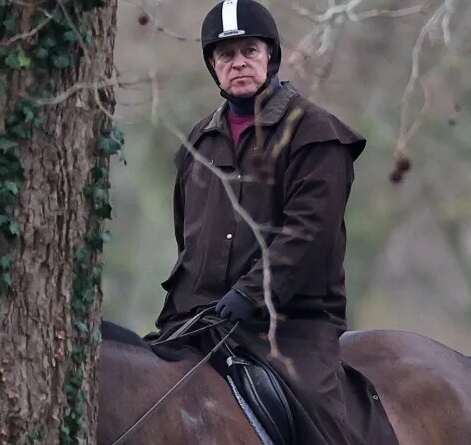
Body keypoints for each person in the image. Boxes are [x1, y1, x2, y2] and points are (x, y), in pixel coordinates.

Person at [155, 0, 366, 443]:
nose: (239, 64)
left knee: (320, 424)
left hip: (290, 325)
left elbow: (307, 234)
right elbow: (188, 238)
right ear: (214, 67)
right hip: (201, 320)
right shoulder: (197, 144)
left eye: (249, 51)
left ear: (270, 55)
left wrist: (250, 294)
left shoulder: (315, 133)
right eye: (226, 55)